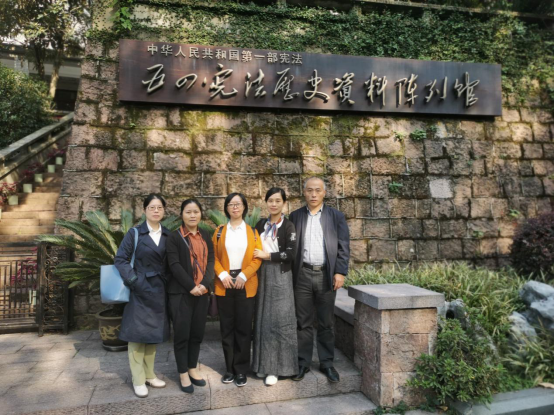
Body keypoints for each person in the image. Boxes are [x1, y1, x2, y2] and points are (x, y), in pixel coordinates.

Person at [289, 177, 351, 384]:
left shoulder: (335, 216)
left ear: (324, 192)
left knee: (326, 322)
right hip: (302, 275)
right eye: (309, 190)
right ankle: (303, 362)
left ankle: (326, 363)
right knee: (303, 322)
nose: (313, 194)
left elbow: (343, 246)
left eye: (317, 190)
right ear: (304, 192)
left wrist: (340, 272)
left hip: (326, 275)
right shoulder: (296, 216)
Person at [115, 194, 171, 399]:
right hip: (139, 290)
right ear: (145, 210)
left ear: (164, 210)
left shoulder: (168, 235)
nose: (156, 211)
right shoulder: (135, 233)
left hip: (160, 290)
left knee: (153, 335)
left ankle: (149, 375)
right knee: (137, 335)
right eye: (152, 207)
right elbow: (121, 259)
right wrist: (134, 281)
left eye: (159, 207)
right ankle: (138, 379)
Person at [213, 193, 262, 388]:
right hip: (224, 284)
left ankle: (241, 370)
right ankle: (229, 369)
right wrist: (223, 274)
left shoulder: (253, 232)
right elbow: (213, 257)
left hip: (245, 284)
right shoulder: (219, 232)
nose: (235, 207)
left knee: (243, 328)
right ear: (226, 208)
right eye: (231, 204)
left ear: (244, 207)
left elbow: (257, 258)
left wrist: (243, 275)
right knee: (227, 328)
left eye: (238, 204)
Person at [166, 199, 214, 394]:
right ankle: (183, 373)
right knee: (182, 334)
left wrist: (204, 284)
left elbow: (211, 261)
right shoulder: (174, 237)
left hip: (202, 293)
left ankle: (192, 368)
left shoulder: (206, 235)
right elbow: (174, 265)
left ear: (200, 214)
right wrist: (191, 286)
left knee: (197, 333)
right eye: (188, 212)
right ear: (182, 214)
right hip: (181, 293)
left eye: (196, 211)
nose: (192, 215)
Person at [252, 188, 299, 387]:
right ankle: (263, 365)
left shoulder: (288, 226)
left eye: (278, 200)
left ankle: (279, 368)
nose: (273, 204)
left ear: (284, 203)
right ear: (266, 202)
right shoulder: (260, 224)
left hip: (281, 275)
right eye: (270, 200)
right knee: (263, 320)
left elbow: (291, 254)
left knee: (280, 321)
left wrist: (268, 255)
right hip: (261, 274)